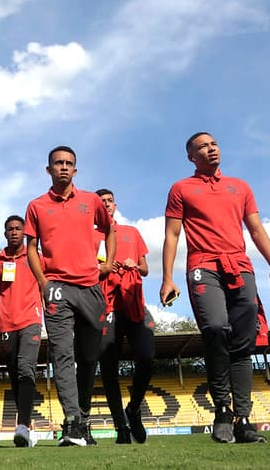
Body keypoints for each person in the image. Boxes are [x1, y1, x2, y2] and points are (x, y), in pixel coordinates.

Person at [160, 132, 270, 444]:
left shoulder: (240, 186)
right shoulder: (181, 188)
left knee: (243, 344)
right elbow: (173, 234)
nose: (211, 148)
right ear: (191, 156)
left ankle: (243, 419)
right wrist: (167, 277)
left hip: (240, 266)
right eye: (202, 146)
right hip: (203, 265)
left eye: (213, 143)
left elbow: (255, 228)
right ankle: (223, 410)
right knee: (216, 328)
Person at [24, 146, 115, 447]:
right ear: (48, 169)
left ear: (76, 170)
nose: (63, 167)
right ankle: (72, 423)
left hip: (90, 288)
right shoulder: (36, 206)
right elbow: (31, 248)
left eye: (69, 163)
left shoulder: (90, 201)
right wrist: (43, 281)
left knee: (89, 358)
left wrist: (109, 264)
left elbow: (109, 231)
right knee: (62, 354)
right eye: (58, 163)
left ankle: (84, 418)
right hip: (57, 289)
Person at [94, 189, 154, 444]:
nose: (106, 205)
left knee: (147, 356)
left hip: (133, 300)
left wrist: (134, 265)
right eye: (101, 202)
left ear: (115, 205)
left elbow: (146, 269)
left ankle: (135, 408)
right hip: (105, 305)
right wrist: (101, 267)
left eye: (109, 201)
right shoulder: (89, 235)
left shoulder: (131, 232)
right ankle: (121, 427)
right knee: (109, 368)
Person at [0, 215, 43, 448]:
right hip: (7, 324)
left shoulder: (36, 257)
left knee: (25, 368)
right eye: (9, 229)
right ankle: (28, 429)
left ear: (24, 232)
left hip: (31, 319)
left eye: (18, 229)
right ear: (4, 233)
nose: (14, 232)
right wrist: (5, 312)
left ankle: (21, 425)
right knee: (13, 374)